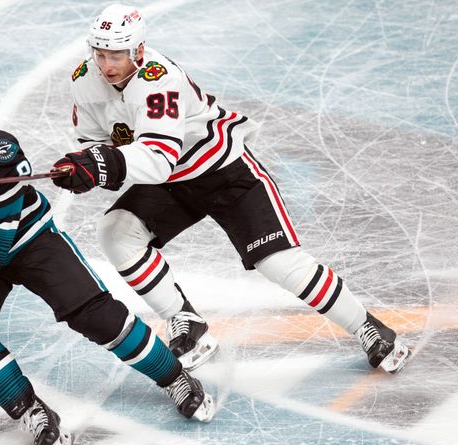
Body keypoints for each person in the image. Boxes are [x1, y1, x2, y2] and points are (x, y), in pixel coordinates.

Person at [50, 4, 413, 374]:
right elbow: (98, 143)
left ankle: (366, 326)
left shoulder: (160, 79)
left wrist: (103, 165)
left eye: (116, 54)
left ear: (138, 51)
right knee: (116, 233)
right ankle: (185, 319)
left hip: (223, 172)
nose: (107, 64)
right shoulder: (84, 78)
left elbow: (158, 160)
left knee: (279, 263)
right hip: (172, 184)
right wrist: (86, 166)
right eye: (100, 53)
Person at [0, 85, 216, 445]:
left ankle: (174, 377)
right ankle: (31, 410)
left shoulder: (1, 159)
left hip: (28, 244)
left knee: (100, 318)